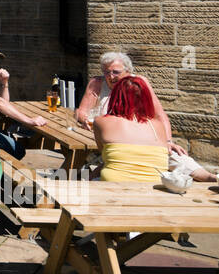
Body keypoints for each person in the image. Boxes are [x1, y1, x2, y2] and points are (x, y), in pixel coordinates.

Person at [76, 51, 211, 182]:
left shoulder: (138, 84)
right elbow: (81, 112)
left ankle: (210, 177)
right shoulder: (97, 83)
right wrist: (85, 120)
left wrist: (168, 141)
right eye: (106, 72)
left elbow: (160, 115)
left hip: (139, 136)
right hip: (113, 138)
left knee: (173, 155)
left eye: (116, 72)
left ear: (128, 71)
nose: (110, 76)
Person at [95, 75, 184, 183]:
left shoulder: (101, 122)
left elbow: (103, 153)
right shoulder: (158, 125)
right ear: (146, 99)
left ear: (115, 97)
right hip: (153, 188)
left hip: (114, 187)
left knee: (85, 179)